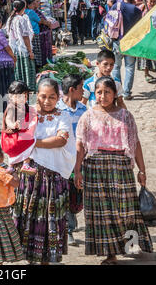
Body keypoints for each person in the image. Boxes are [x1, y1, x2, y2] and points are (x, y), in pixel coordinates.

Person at [75, 76, 153, 265]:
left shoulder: (126, 116)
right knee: (102, 213)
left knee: (125, 210)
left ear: (115, 94)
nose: (103, 96)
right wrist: (77, 170)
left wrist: (142, 170)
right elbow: (80, 145)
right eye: (99, 92)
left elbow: (135, 143)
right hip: (94, 169)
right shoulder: (88, 116)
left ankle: (129, 243)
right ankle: (110, 253)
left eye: (107, 92)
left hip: (121, 168)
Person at [13, 78, 75, 264]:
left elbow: (61, 140)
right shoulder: (26, 114)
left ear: (59, 97)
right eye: (43, 96)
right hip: (29, 177)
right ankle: (30, 259)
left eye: (52, 97)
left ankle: (46, 260)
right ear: (36, 96)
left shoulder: (63, 115)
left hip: (53, 178)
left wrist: (32, 144)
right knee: (29, 219)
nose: (47, 101)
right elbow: (14, 138)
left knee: (50, 220)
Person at [56, 74, 87, 247]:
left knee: (77, 194)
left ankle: (72, 224)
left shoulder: (83, 109)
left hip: (81, 159)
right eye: (80, 87)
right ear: (71, 90)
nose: (83, 90)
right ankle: (68, 230)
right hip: (63, 159)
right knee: (66, 195)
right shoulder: (58, 110)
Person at [111, 0, 143, 101]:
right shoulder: (137, 10)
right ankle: (126, 93)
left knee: (116, 66)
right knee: (129, 67)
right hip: (131, 42)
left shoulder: (116, 6)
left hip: (117, 40)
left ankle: (117, 92)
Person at [1, 80, 38, 176]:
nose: (23, 99)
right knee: (30, 141)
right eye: (19, 96)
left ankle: (11, 167)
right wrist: (13, 125)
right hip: (12, 136)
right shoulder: (11, 107)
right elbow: (8, 120)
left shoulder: (23, 106)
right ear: (10, 96)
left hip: (16, 134)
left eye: (25, 96)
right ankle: (26, 163)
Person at [7, 0, 36, 92]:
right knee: (28, 77)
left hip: (14, 50)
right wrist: (30, 51)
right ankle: (29, 96)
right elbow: (26, 37)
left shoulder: (10, 19)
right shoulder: (21, 19)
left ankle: (19, 93)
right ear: (24, 8)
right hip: (23, 50)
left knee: (18, 74)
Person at [33, 0, 53, 67]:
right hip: (39, 36)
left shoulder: (37, 11)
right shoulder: (32, 12)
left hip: (44, 35)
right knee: (41, 53)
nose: (38, 3)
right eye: (36, 1)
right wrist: (47, 23)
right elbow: (41, 21)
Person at [24, 0, 43, 69]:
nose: (34, 5)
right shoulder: (31, 12)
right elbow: (39, 21)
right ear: (28, 5)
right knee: (36, 51)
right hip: (34, 34)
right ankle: (37, 67)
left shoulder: (24, 12)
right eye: (32, 4)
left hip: (29, 35)